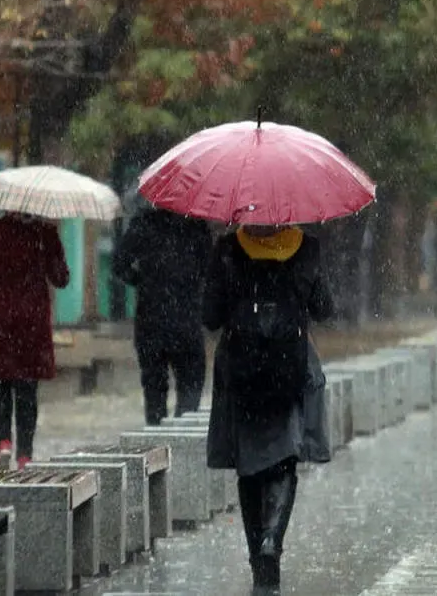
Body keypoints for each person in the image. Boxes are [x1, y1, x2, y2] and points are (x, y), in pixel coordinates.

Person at [203, 224, 334, 595]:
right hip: (288, 370)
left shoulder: (228, 249)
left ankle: (260, 570)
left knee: (250, 469)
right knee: (284, 461)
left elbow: (209, 316)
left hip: (242, 375)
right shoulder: (305, 248)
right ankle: (271, 544)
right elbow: (324, 309)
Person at [0, 211, 70, 472]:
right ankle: (25, 455)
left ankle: (3, 442)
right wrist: (53, 252)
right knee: (27, 390)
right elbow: (61, 278)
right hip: (31, 322)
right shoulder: (44, 233)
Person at [112, 206, 212, 425]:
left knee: (154, 386)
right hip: (186, 318)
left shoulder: (143, 223)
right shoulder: (196, 225)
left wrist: (142, 281)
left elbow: (119, 263)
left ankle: (157, 439)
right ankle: (181, 436)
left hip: (151, 317)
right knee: (190, 383)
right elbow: (209, 269)